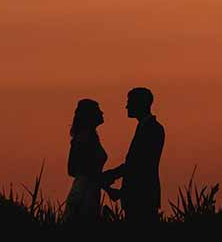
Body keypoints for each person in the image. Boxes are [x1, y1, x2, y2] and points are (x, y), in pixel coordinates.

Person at [104, 87, 164, 224]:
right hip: (138, 194)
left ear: (140, 104)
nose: (126, 106)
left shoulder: (152, 129)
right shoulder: (145, 127)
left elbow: (139, 165)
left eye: (130, 102)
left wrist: (111, 175)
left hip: (143, 195)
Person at [63, 98, 109, 224]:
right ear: (90, 115)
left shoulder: (89, 137)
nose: (102, 113)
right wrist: (105, 181)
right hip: (85, 192)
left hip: (89, 189)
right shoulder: (84, 138)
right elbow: (75, 169)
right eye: (98, 110)